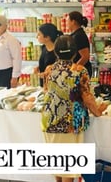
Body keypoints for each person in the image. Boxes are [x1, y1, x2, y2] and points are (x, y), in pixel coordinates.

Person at [41, 35, 107, 182]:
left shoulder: (49, 69)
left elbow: (46, 91)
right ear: (75, 52)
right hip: (70, 122)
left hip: (49, 119)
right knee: (69, 168)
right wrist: (98, 111)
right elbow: (87, 97)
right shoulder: (79, 71)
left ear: (56, 53)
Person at [67, 11, 92, 76]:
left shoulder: (79, 36)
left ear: (73, 22)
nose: (66, 23)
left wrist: (74, 69)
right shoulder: (75, 35)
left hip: (81, 71)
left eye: (68, 21)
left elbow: (85, 57)